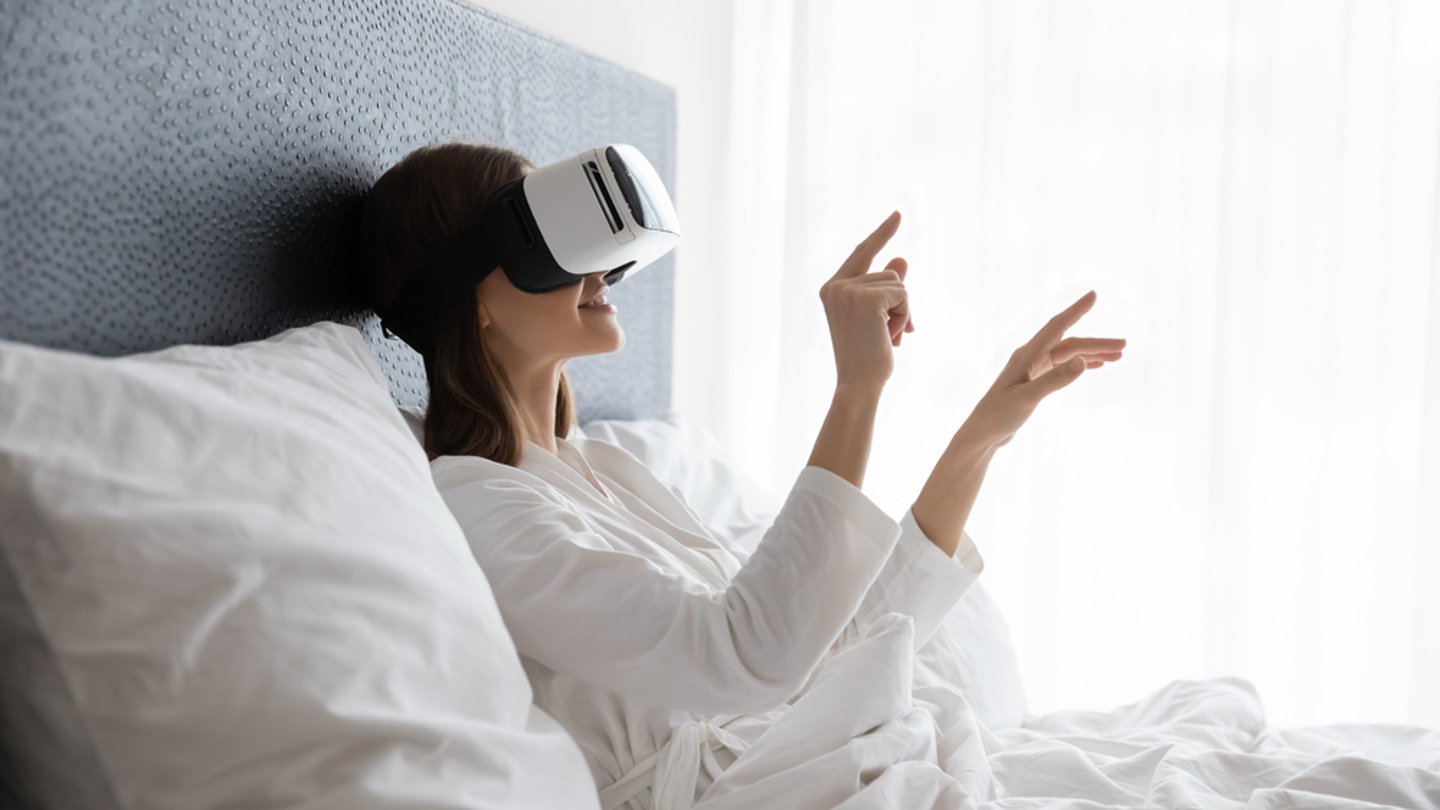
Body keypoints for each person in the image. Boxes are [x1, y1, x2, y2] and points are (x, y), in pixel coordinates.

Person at [359, 141, 1127, 810]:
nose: (597, 265)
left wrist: (980, 437)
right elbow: (749, 656)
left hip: (815, 759)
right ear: (474, 299)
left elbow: (822, 659)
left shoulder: (604, 468)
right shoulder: (481, 509)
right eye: (554, 239)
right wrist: (855, 390)